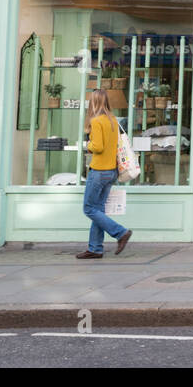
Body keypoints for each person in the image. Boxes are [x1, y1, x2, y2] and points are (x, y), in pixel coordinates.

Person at [78, 88, 133, 259]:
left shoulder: (96, 121)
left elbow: (98, 147)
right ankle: (95, 248)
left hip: (99, 171)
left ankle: (120, 232)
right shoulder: (113, 120)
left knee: (88, 208)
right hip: (112, 171)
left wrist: (87, 144)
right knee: (98, 209)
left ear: (93, 102)